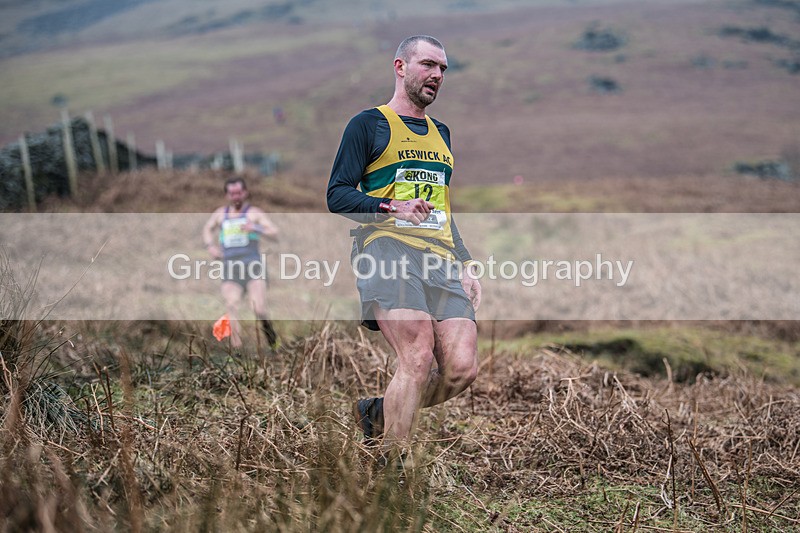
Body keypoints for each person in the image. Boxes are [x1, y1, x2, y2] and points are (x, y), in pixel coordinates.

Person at [327, 35, 481, 447]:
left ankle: (379, 412)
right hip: (386, 250)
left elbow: (442, 209)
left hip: (440, 258)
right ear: (400, 67)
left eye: (443, 69)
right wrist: (390, 207)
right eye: (428, 65)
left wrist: (465, 263)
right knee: (416, 357)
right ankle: (392, 472)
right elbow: (337, 195)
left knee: (462, 369)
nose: (437, 75)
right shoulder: (368, 124)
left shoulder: (442, 133)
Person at [203, 176, 280, 351]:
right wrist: (210, 247)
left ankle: (272, 340)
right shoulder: (220, 214)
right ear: (227, 195)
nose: (236, 196)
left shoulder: (254, 213)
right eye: (232, 193)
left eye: (239, 192)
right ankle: (236, 351)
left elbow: (275, 233)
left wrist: (257, 228)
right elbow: (207, 229)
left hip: (253, 268)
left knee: (259, 310)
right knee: (232, 306)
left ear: (245, 192)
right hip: (231, 269)